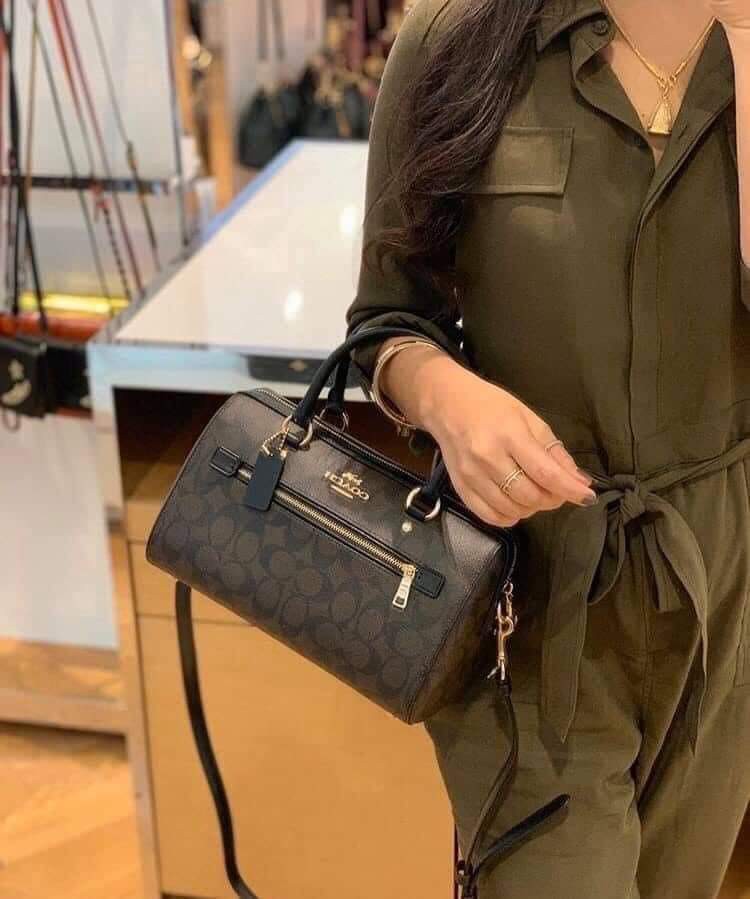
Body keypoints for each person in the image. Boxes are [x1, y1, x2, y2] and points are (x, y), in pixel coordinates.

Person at [344, 0, 750, 896]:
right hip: (528, 600)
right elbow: (387, 319)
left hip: (725, 604)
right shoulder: (457, 34)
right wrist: (450, 400)